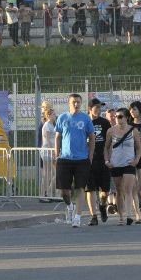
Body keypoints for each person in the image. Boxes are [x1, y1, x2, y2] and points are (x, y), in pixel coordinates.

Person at [55, 93, 96, 228]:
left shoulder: (86, 118)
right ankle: (70, 206)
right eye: (74, 102)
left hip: (82, 159)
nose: (76, 104)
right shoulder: (62, 117)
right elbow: (58, 137)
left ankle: (78, 216)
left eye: (78, 102)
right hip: (65, 158)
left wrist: (90, 155)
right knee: (64, 192)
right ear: (69, 103)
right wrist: (57, 154)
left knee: (80, 188)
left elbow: (92, 137)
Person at [104, 107, 141, 225]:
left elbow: (138, 148)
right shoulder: (110, 131)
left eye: (120, 116)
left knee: (128, 189)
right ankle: (121, 216)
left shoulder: (134, 131)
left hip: (129, 163)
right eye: (116, 116)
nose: (117, 118)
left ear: (126, 118)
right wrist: (107, 161)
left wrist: (136, 160)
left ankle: (129, 215)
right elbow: (106, 148)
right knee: (119, 191)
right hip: (115, 164)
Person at [85, 98, 112, 225]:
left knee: (105, 192)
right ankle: (93, 216)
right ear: (90, 109)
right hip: (88, 160)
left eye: (100, 108)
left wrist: (109, 158)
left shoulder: (105, 123)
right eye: (96, 108)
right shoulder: (85, 122)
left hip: (103, 159)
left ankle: (102, 205)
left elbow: (109, 142)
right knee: (90, 189)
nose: (99, 110)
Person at [40, 103, 57, 198]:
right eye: (53, 114)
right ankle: (43, 194)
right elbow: (47, 139)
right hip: (47, 152)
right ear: (49, 115)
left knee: (55, 173)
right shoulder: (46, 125)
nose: (55, 116)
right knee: (47, 173)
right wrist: (53, 151)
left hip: (52, 152)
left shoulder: (52, 125)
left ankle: (49, 192)